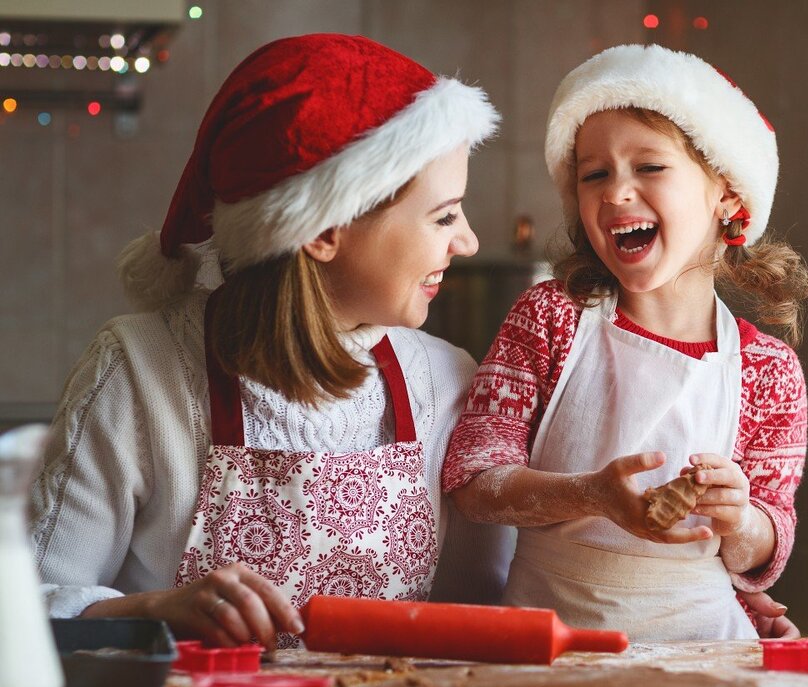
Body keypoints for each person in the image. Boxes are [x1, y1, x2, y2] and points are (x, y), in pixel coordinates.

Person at [31, 33, 507, 648]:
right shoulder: (139, 373)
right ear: (324, 232)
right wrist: (157, 612)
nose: (465, 242)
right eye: (444, 216)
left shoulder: (446, 381)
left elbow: (476, 614)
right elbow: (28, 611)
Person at [443, 45, 808, 641]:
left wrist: (739, 518)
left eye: (649, 167)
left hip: (702, 649)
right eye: (594, 174)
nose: (615, 192)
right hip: (549, 643)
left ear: (728, 194)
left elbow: (768, 544)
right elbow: (474, 482)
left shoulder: (768, 370)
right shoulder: (549, 320)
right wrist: (592, 495)